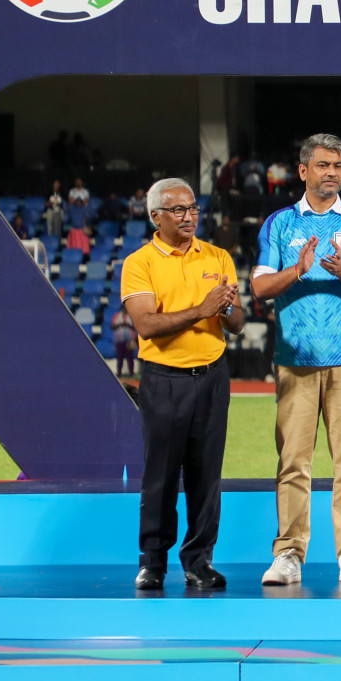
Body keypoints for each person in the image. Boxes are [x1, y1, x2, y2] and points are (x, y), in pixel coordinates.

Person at [252, 134, 341, 588]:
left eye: (338, 166)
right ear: (303, 170)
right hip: (294, 360)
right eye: (323, 165)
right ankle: (288, 554)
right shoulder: (278, 225)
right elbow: (259, 288)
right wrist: (298, 269)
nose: (332, 172)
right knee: (293, 461)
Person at [120, 178, 243, 591]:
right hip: (164, 379)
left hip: (212, 375)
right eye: (178, 210)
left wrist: (225, 309)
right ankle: (152, 562)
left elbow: (238, 323)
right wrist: (202, 308)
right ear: (156, 216)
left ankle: (198, 561)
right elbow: (146, 324)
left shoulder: (219, 256)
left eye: (192, 208)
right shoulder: (140, 262)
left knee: (207, 476)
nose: (188, 216)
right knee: (161, 475)